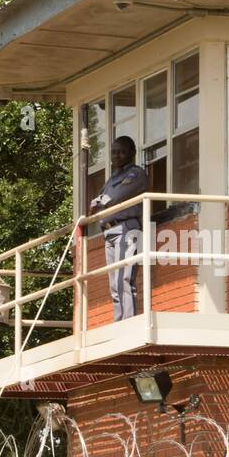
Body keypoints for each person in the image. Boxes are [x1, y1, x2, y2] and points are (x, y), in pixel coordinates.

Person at [89, 136, 148, 320]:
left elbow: (115, 196)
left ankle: (127, 321)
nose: (117, 156)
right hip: (110, 232)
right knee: (114, 283)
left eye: (121, 151)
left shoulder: (136, 174)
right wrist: (99, 201)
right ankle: (119, 320)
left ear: (132, 153)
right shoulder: (113, 178)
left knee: (124, 279)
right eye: (114, 152)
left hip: (127, 229)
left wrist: (100, 202)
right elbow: (95, 202)